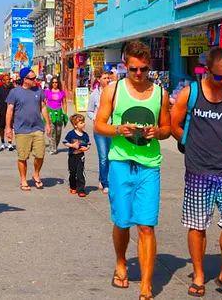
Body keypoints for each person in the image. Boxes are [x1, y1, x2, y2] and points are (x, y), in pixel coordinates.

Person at [170, 47, 222, 299]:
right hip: (197, 170)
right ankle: (199, 274)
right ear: (207, 71)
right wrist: (190, 143)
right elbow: (173, 123)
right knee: (197, 225)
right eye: (219, 77)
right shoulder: (190, 93)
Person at [93, 40, 171, 300]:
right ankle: (121, 261)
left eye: (144, 70)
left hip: (149, 166)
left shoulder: (160, 93)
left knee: (147, 226)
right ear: (125, 65)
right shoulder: (113, 91)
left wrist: (156, 132)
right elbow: (99, 125)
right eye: (134, 69)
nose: (139, 75)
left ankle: (146, 285)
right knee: (122, 222)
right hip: (120, 163)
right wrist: (119, 129)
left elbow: (167, 129)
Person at [5, 67, 50, 191]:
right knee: (23, 157)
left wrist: (47, 124)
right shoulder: (14, 92)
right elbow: (9, 110)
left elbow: (43, 107)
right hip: (21, 130)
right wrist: (8, 128)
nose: (35, 80)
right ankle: (23, 180)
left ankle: (36, 173)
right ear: (25, 79)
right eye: (32, 78)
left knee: (40, 154)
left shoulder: (39, 91)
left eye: (36, 78)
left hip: (37, 128)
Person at [88, 70, 112, 193]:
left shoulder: (114, 93)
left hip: (112, 129)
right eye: (105, 78)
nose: (107, 80)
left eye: (108, 78)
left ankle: (103, 178)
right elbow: (89, 111)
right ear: (99, 80)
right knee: (103, 156)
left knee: (111, 156)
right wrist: (95, 119)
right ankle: (105, 182)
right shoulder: (94, 94)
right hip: (99, 129)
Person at [63, 113, 90, 197]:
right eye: (81, 123)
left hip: (80, 156)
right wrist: (72, 145)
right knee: (72, 172)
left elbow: (88, 144)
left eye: (83, 122)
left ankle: (81, 189)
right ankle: (73, 186)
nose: (83, 124)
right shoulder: (71, 134)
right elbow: (65, 142)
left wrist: (87, 148)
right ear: (75, 125)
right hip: (72, 156)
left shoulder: (85, 135)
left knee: (80, 172)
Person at [44, 78, 68, 154]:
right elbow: (44, 103)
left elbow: (64, 103)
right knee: (51, 131)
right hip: (50, 113)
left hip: (59, 113)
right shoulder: (47, 92)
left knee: (58, 132)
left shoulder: (62, 92)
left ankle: (55, 146)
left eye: (56, 82)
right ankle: (52, 149)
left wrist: (65, 113)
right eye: (53, 82)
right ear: (51, 83)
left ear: (58, 83)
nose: (55, 84)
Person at [0, 73, 14, 151]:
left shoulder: (12, 88)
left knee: (10, 127)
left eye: (9, 79)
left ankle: (10, 143)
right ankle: (3, 142)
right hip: (1, 110)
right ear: (3, 81)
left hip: (11, 110)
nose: (8, 81)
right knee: (2, 127)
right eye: (7, 80)